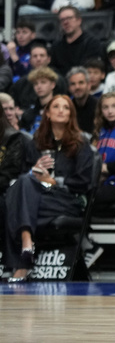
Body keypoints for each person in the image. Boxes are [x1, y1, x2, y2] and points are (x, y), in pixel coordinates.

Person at [3, 95, 93, 282]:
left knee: (14, 200)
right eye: (56, 107)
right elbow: (22, 176)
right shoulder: (36, 143)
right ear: (48, 114)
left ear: (71, 114)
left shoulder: (81, 143)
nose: (61, 110)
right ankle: (26, 245)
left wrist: (53, 181)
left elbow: (84, 181)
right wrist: (34, 172)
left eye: (66, 108)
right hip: (39, 199)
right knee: (20, 185)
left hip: (67, 200)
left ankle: (22, 258)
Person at [50, 6, 105, 75]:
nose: (66, 22)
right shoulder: (56, 46)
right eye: (62, 20)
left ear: (79, 20)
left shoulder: (92, 43)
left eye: (69, 18)